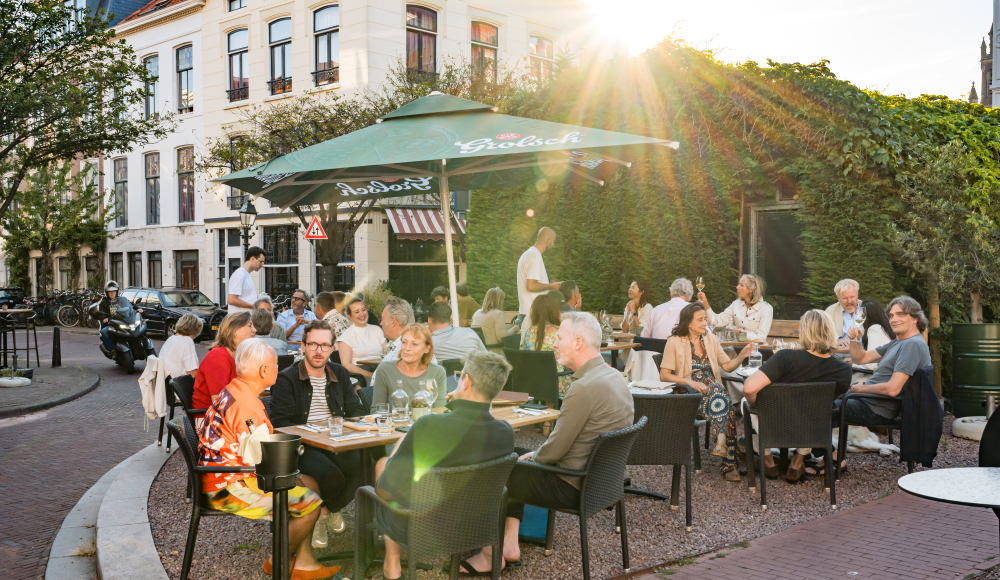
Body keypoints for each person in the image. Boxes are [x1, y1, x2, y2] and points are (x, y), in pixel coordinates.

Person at [465, 312, 633, 574]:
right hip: (602, 483)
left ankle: (489, 554)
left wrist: (533, 458)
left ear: (578, 342)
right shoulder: (615, 378)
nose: (554, 343)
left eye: (560, 337)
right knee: (513, 454)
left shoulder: (583, 387)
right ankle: (509, 544)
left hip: (570, 484)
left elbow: (555, 450)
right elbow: (561, 445)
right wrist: (531, 455)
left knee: (495, 466)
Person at [197, 338, 339, 580]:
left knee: (310, 485)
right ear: (264, 370)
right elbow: (261, 461)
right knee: (309, 505)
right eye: (275, 365)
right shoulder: (248, 407)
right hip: (228, 487)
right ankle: (278, 562)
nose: (278, 369)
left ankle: (305, 564)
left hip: (221, 476)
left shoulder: (234, 390)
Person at [374, 351, 515, 580]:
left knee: (384, 469)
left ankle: (393, 564)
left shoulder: (428, 424)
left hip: (422, 528)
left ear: (466, 380)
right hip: (476, 526)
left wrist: (405, 439)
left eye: (460, 375)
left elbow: (386, 487)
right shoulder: (505, 432)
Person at [270, 320, 366, 549]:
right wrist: (314, 434)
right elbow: (280, 424)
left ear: (332, 348)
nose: (318, 351)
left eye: (324, 345)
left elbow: (357, 409)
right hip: (303, 446)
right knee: (331, 475)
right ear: (302, 346)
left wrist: (347, 425)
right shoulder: (287, 378)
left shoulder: (340, 373)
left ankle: (325, 510)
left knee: (367, 467)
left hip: (335, 441)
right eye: (313, 344)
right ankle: (322, 515)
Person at [742, 310, 852, 482]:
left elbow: (749, 388)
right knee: (814, 409)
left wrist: (754, 405)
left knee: (748, 402)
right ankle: (797, 462)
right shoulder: (843, 370)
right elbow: (827, 402)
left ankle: (768, 461)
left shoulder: (786, 357)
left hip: (773, 425)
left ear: (805, 332)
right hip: (808, 429)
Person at [832, 296, 932, 473]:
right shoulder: (897, 342)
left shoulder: (912, 345)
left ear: (915, 318)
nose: (894, 319)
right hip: (867, 401)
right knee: (823, 401)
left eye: (900, 314)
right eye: (891, 315)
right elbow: (860, 358)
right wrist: (855, 338)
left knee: (816, 408)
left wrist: (862, 388)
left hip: (875, 408)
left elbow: (893, 389)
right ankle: (830, 456)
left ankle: (831, 459)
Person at [659, 303, 753, 482]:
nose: (705, 323)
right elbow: (664, 375)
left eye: (705, 319)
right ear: (688, 322)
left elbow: (727, 366)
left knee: (719, 394)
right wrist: (689, 381)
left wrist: (742, 356)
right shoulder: (674, 341)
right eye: (700, 320)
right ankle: (728, 461)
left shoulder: (710, 339)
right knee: (724, 399)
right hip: (687, 393)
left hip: (712, 393)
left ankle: (723, 444)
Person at [193, 312, 256, 411]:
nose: (254, 330)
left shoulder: (233, 355)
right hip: (209, 420)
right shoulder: (218, 357)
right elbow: (220, 403)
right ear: (234, 331)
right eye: (249, 326)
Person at [373, 324, 448, 408]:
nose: (407, 348)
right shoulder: (385, 369)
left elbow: (440, 410)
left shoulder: (437, 372)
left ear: (427, 348)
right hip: (396, 421)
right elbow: (377, 411)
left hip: (428, 421)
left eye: (414, 344)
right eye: (404, 342)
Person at [521, 293, 571, 395]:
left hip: (534, 384)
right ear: (552, 310)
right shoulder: (559, 332)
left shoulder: (529, 332)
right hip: (557, 383)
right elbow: (569, 362)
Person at [699, 274, 773, 342]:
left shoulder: (766, 309)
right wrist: (706, 304)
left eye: (741, 285)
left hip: (755, 350)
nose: (737, 287)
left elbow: (761, 337)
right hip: (736, 347)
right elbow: (718, 321)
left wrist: (740, 334)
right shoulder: (736, 304)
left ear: (751, 289)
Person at [336, 294, 386, 380]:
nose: (362, 314)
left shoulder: (377, 330)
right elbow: (346, 365)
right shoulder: (346, 337)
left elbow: (387, 352)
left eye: (363, 310)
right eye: (357, 312)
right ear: (349, 316)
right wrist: (370, 375)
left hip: (381, 370)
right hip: (360, 375)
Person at [516, 227, 560, 320]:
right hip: (533, 314)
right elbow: (531, 286)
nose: (553, 244)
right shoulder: (534, 255)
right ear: (548, 241)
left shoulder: (528, 254)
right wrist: (551, 286)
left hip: (528, 313)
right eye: (553, 241)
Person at [95, 280, 139, 358]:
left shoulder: (122, 299)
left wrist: (138, 309)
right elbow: (101, 314)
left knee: (138, 326)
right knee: (104, 332)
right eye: (110, 291)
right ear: (107, 292)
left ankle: (141, 345)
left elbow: (131, 305)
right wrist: (104, 319)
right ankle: (113, 350)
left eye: (114, 291)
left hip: (124, 321)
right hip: (112, 323)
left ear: (117, 291)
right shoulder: (104, 303)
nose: (112, 293)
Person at [471, 287, 519, 352]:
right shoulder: (498, 314)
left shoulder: (477, 313)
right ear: (499, 300)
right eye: (503, 299)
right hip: (494, 353)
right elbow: (502, 337)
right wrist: (514, 329)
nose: (503, 302)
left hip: (479, 352)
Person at [158, 313, 202, 380]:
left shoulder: (170, 339)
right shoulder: (187, 340)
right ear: (196, 330)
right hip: (180, 386)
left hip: (167, 384)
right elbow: (192, 373)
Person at [227, 246, 266, 313]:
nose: (262, 265)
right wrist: (254, 306)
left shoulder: (245, 274)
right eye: (261, 262)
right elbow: (231, 300)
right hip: (239, 321)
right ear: (252, 259)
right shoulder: (240, 275)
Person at [825, 279, 862, 348]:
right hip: (841, 354)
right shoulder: (830, 311)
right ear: (838, 298)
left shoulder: (867, 308)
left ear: (857, 295)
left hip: (866, 353)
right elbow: (824, 334)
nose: (849, 301)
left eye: (852, 297)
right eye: (845, 298)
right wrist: (838, 339)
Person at [379, 296, 416, 364]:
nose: (381, 323)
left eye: (383, 319)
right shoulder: (423, 348)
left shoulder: (399, 353)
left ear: (393, 322)